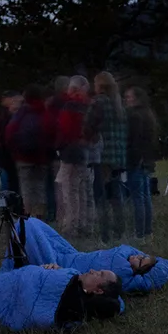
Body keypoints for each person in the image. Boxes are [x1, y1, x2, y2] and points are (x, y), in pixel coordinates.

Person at [8, 217, 168, 294]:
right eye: (140, 255)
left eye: (139, 261)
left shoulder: (126, 277)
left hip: (61, 262)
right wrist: (152, 260)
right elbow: (167, 264)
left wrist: (149, 264)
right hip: (72, 253)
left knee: (26, 226)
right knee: (33, 223)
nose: (137, 256)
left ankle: (14, 266)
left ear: (137, 271)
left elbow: (161, 272)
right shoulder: (130, 256)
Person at [85, 71, 127, 243]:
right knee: (115, 194)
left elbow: (88, 126)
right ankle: (119, 230)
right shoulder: (118, 103)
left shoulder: (98, 103)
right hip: (118, 155)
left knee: (100, 195)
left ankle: (104, 234)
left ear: (100, 85)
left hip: (102, 155)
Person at [6, 86, 53, 218]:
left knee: (26, 189)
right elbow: (52, 131)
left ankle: (28, 218)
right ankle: (40, 217)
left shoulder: (22, 113)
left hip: (23, 158)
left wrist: (15, 152)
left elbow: (10, 133)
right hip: (41, 157)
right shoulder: (44, 111)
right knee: (40, 189)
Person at [55, 76, 92, 237]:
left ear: (74, 89)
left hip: (69, 153)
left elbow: (64, 130)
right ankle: (84, 224)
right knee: (82, 189)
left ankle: (70, 227)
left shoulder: (69, 106)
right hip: (83, 152)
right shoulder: (87, 106)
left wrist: (58, 146)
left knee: (69, 191)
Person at [124, 86, 158, 241]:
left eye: (129, 97)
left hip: (137, 161)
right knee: (145, 196)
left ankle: (139, 232)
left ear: (137, 98)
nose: (127, 100)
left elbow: (133, 141)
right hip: (147, 160)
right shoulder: (148, 114)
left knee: (138, 197)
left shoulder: (135, 116)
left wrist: (130, 159)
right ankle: (148, 230)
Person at [44, 76, 71, 223]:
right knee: (64, 185)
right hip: (64, 149)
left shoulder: (51, 104)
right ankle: (64, 216)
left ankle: (54, 213)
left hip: (52, 149)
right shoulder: (69, 103)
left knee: (54, 185)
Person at [0, 90, 23, 194]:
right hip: (10, 157)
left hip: (8, 157)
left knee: (10, 185)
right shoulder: (9, 117)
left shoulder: (6, 117)